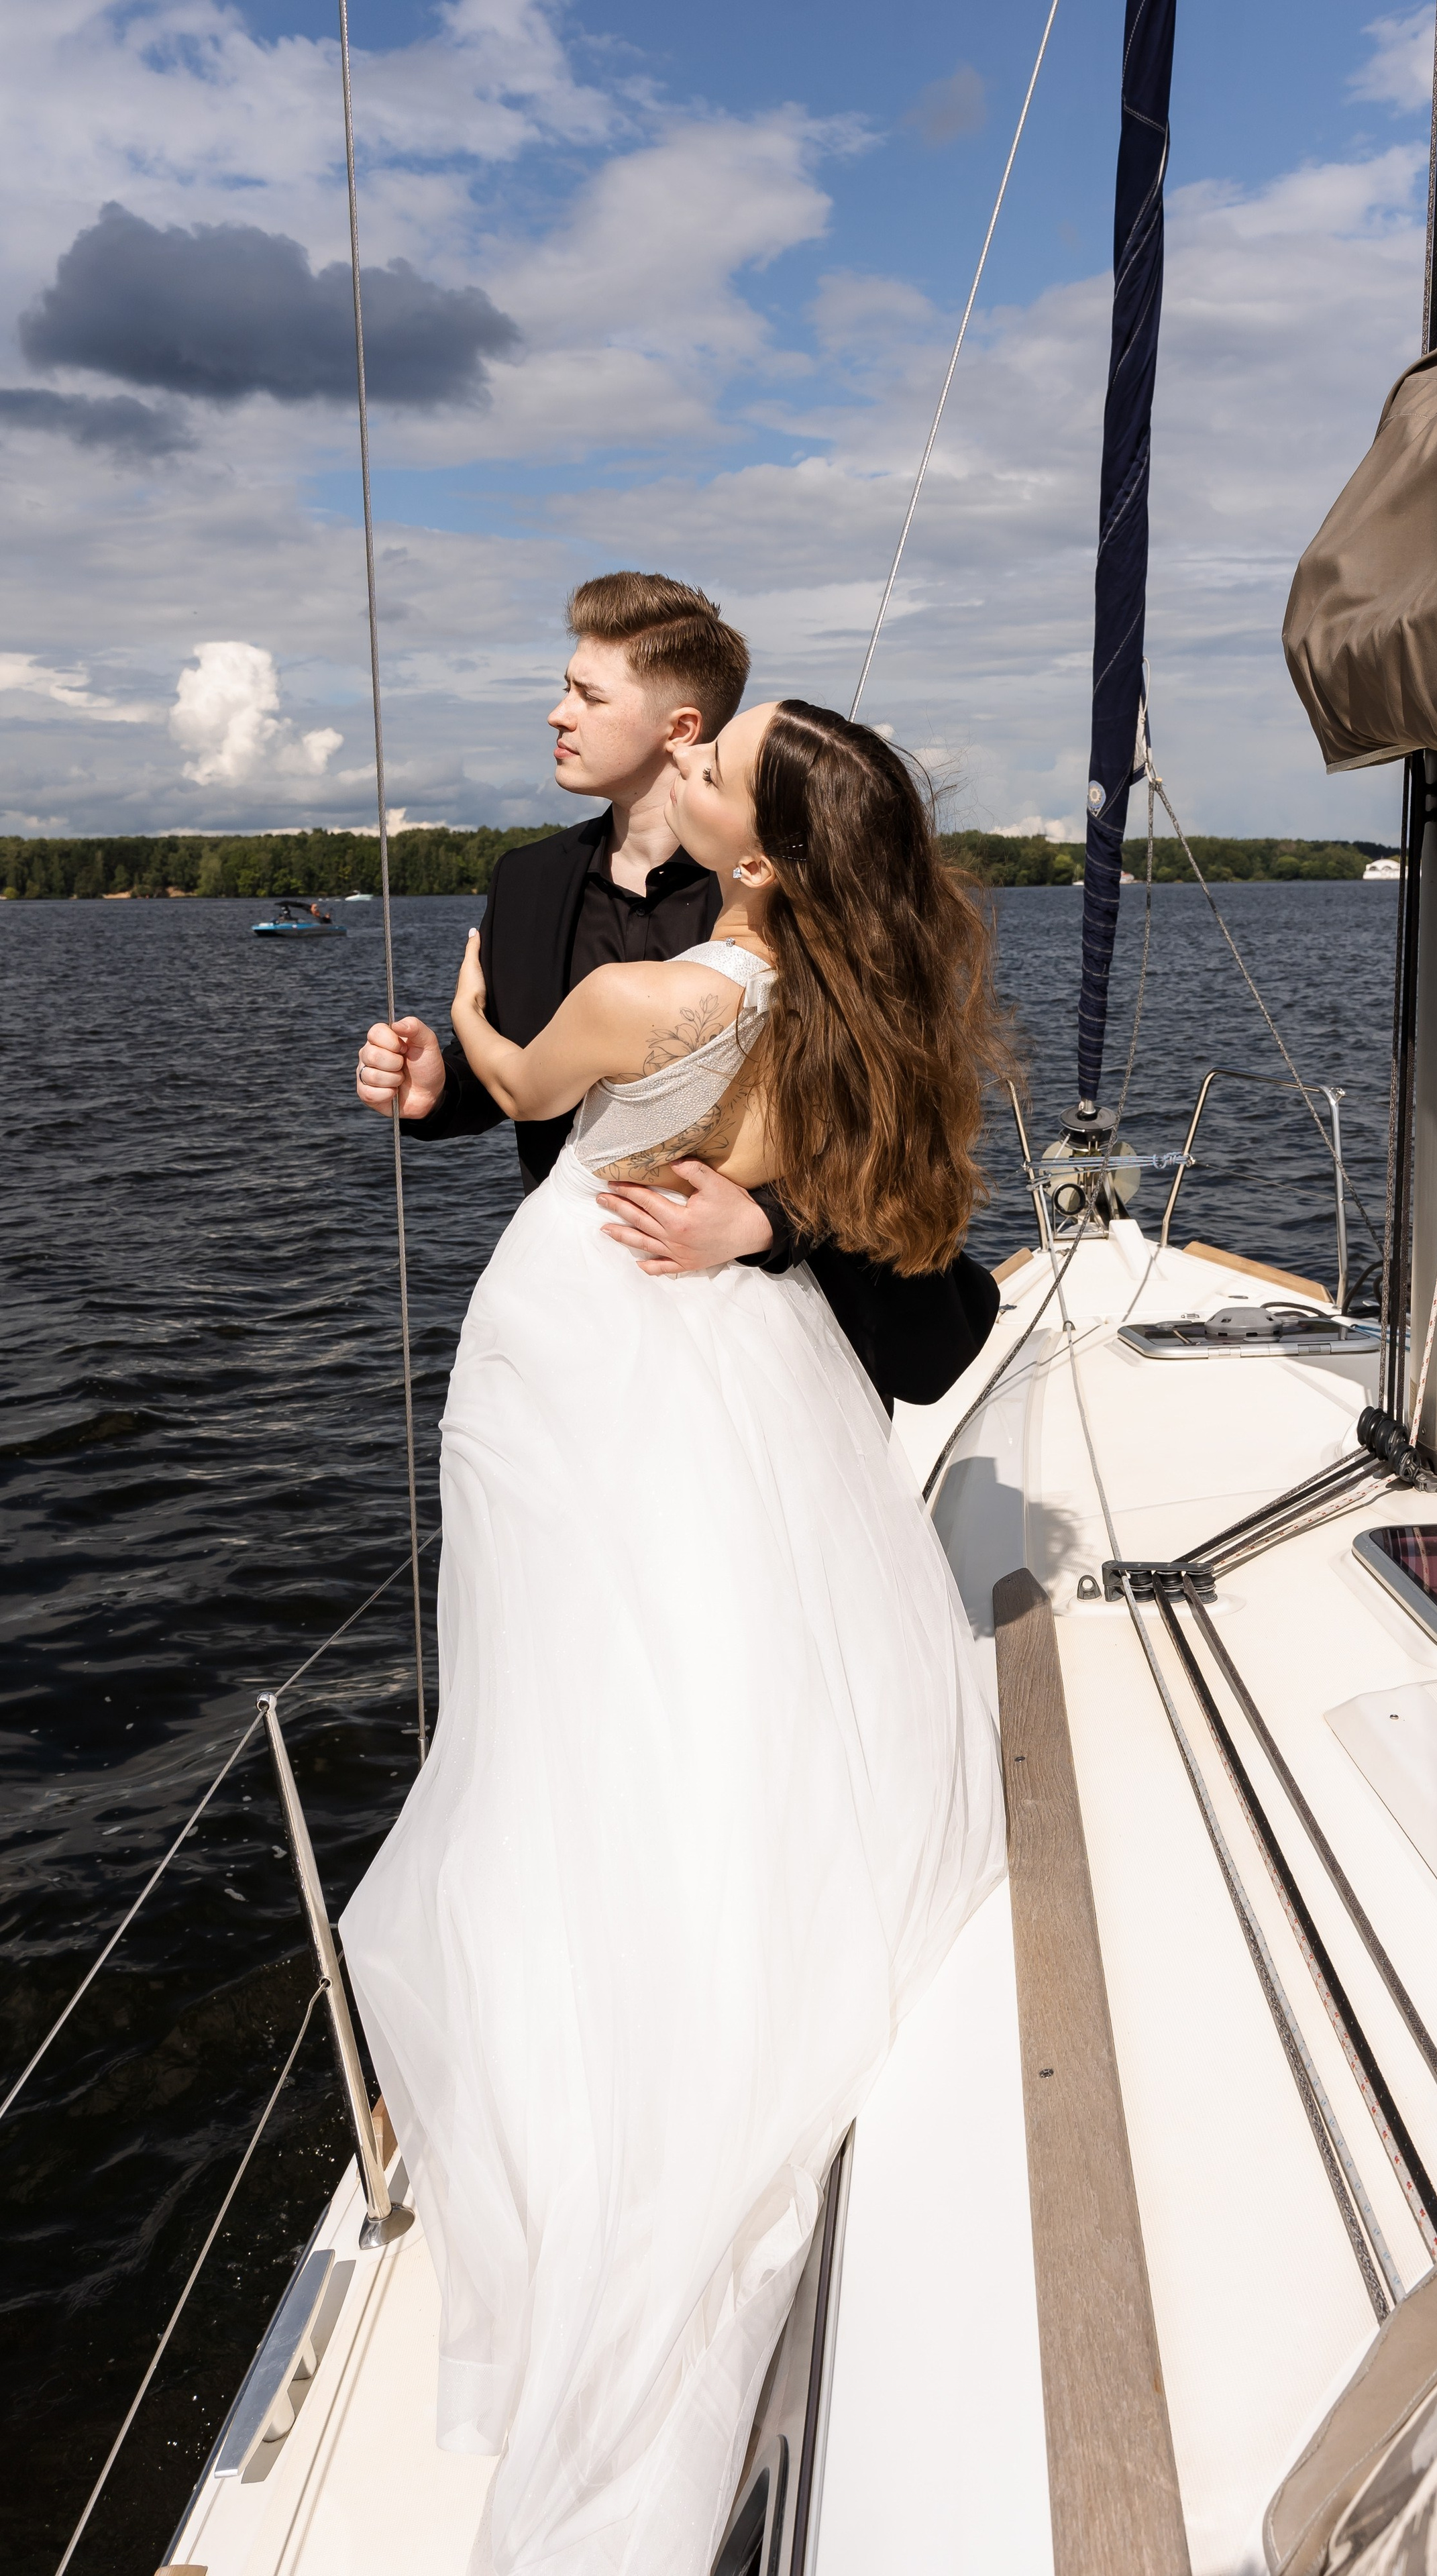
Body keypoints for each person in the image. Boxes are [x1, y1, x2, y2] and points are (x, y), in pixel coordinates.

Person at [340, 696, 1010, 2576]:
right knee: (699, 1678)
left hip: (586, 1354)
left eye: (719, 771)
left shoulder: (658, 1001)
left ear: (767, 852)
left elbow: (528, 1079)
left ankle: (610, 2071)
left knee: (572, 1704)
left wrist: (467, 1014)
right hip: (736, 1360)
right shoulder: (847, 1000)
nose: (686, 776)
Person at [355, 571, 999, 1407]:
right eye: (564, 689)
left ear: (681, 727)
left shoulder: (805, 906)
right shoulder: (527, 882)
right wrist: (440, 1090)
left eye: (587, 694)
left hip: (778, 1336)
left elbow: (888, 1111)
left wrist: (766, 1223)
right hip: (587, 1326)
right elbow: (543, 1085)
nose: (559, 714)